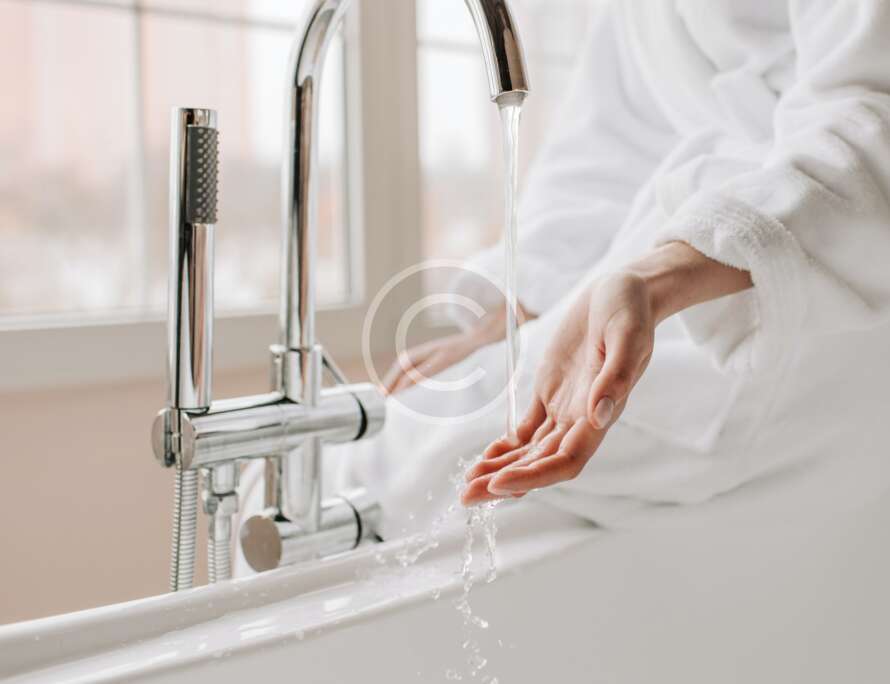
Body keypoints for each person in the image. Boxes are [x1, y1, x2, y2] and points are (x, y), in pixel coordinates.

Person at [241, 1, 890, 548]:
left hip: (785, 287)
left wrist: (663, 274)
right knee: (318, 462)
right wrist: (517, 310)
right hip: (651, 270)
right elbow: (609, 146)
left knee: (417, 476)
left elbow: (871, 115)